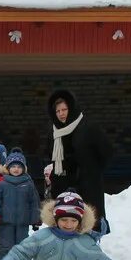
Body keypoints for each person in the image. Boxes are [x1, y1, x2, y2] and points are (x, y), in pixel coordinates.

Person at [46, 88, 113, 233]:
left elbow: (107, 151)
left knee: (88, 228)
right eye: (57, 111)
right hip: (63, 189)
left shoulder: (88, 127)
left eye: (64, 109)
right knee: (66, 229)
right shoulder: (55, 132)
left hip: (87, 187)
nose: (61, 114)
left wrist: (92, 172)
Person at [0, 148, 40, 260]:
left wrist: (36, 218)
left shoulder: (28, 184)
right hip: (6, 221)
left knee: (22, 245)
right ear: (8, 168)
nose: (16, 169)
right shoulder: (2, 184)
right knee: (6, 245)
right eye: (13, 166)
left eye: (19, 166)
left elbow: (34, 202)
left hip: (22, 221)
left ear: (24, 168)